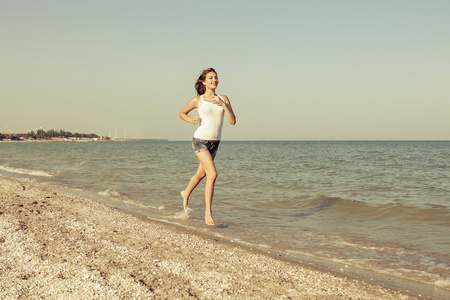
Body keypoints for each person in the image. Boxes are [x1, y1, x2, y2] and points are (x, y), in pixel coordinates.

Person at [179, 68, 236, 225]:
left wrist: (222, 104)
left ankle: (185, 192)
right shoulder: (198, 100)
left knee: (201, 174)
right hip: (200, 141)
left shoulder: (223, 98)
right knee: (212, 175)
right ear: (203, 81)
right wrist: (191, 120)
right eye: (210, 78)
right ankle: (208, 214)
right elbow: (182, 113)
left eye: (216, 78)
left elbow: (232, 121)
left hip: (215, 143)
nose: (214, 80)